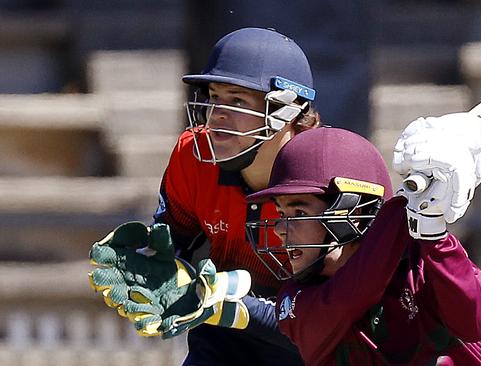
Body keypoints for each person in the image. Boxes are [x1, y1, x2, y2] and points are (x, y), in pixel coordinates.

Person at [96, 27, 319, 365]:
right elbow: (175, 245)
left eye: (237, 100)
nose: (216, 116)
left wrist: (233, 306)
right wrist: (159, 269)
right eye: (214, 97)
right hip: (221, 342)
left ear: (285, 110)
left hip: (312, 348)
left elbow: (339, 318)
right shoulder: (193, 156)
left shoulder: (329, 174)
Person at [244, 121, 481, 365]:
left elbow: (476, 323)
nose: (279, 229)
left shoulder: (426, 260)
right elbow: (354, 292)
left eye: (298, 214)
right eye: (280, 214)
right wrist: (406, 204)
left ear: (350, 213)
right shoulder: (295, 302)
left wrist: (433, 233)